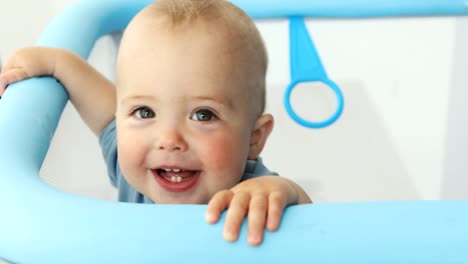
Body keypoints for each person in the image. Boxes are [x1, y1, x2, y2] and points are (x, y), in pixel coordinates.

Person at [0, 0, 311, 246]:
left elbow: (313, 227)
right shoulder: (133, 168)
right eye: (145, 112)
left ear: (254, 139)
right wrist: (60, 64)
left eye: (202, 115)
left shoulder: (249, 194)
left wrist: (283, 190)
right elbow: (109, 113)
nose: (168, 138)